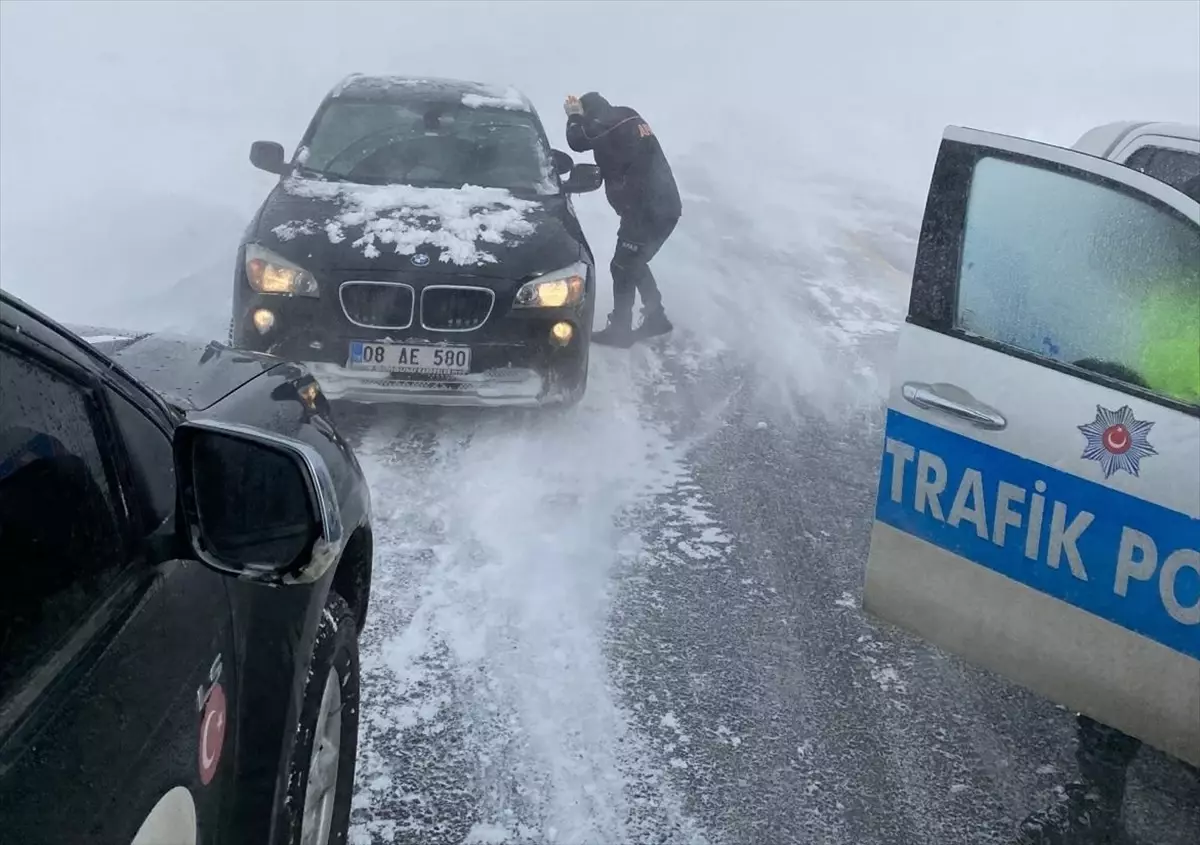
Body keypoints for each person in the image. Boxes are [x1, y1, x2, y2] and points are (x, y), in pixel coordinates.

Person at [564, 92, 682, 347]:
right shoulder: (626, 115)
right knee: (634, 261)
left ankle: (620, 329)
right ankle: (655, 316)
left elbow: (578, 140)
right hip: (663, 206)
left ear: (591, 112)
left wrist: (573, 114)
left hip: (646, 209)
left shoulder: (607, 121)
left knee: (622, 265)